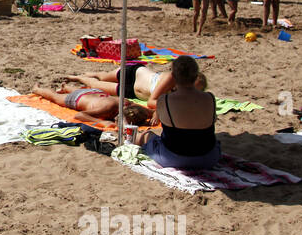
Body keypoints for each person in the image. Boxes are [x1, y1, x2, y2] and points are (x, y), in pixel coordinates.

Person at [136, 56, 220, 169]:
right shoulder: (210, 98)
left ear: (173, 77)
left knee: (145, 136)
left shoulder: (165, 100)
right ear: (196, 76)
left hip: (174, 158)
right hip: (208, 158)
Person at [67, 63, 206, 111]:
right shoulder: (170, 78)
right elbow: (152, 101)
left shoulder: (179, 95)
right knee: (102, 77)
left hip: (132, 92)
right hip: (135, 73)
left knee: (96, 85)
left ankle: (84, 77)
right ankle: (80, 76)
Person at [31, 84, 154, 125]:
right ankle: (37, 89)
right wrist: (101, 122)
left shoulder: (129, 104)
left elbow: (154, 111)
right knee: (55, 98)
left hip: (96, 93)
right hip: (79, 98)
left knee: (85, 93)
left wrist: (155, 116)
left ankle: (67, 87)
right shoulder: (107, 109)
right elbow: (80, 115)